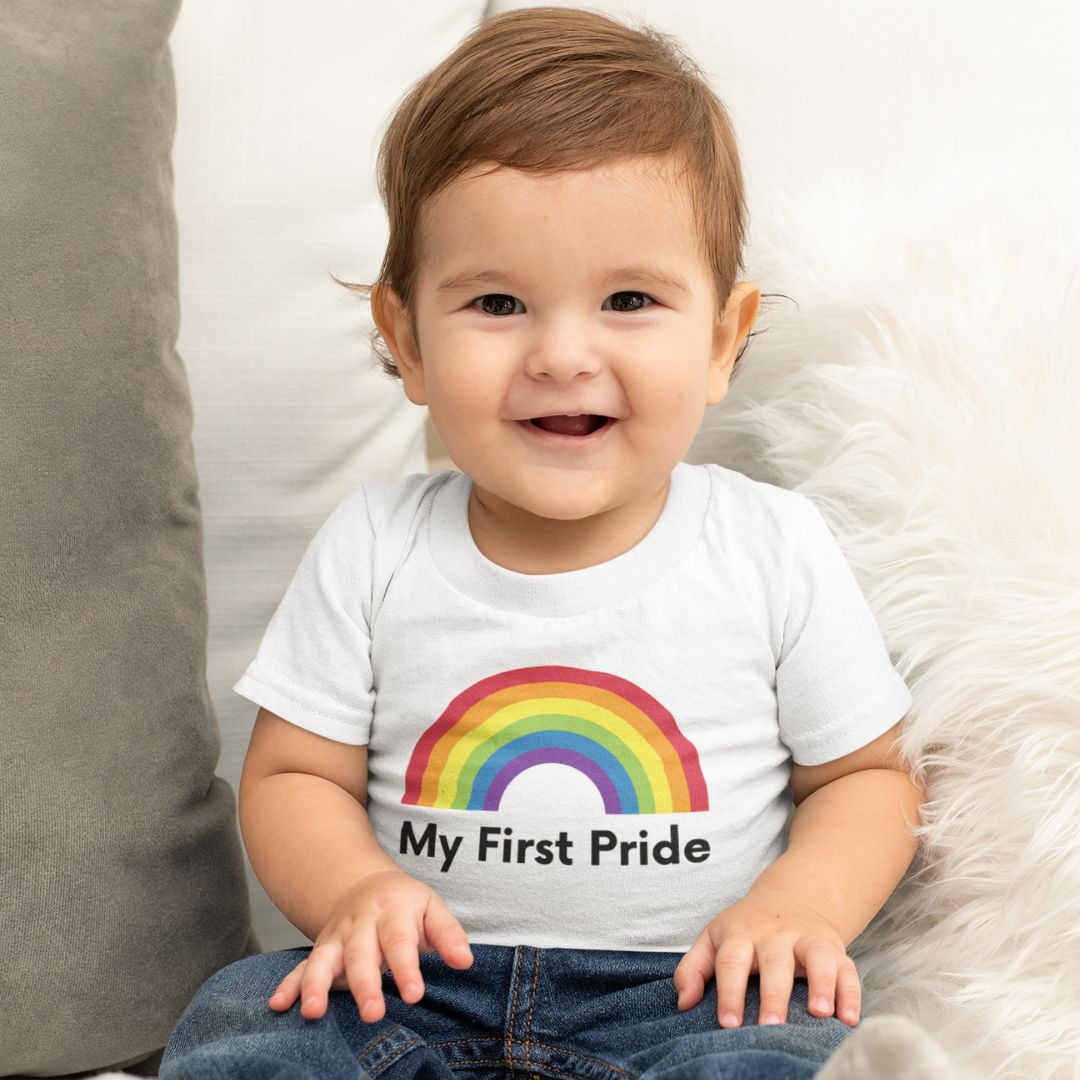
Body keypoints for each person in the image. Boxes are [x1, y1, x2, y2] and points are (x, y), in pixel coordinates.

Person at [160, 7, 926, 1079]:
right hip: (416, 984)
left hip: (692, 990)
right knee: (243, 1026)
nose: (563, 354)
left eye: (627, 299)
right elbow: (293, 776)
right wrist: (355, 894)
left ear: (722, 339)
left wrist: (796, 906)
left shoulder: (770, 544)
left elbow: (870, 779)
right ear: (405, 340)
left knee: (783, 1052)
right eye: (498, 302)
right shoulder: (374, 545)